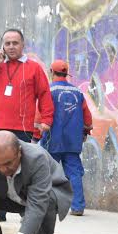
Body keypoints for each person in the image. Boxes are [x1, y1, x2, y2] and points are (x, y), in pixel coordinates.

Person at [0, 29, 54, 142]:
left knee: (20, 160)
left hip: (22, 129)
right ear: (2, 47)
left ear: (23, 44)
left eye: (15, 43)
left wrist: (47, 120)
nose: (11, 47)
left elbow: (44, 94)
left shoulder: (34, 68)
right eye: (7, 44)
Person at [40, 59, 93, 216]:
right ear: (66, 73)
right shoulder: (77, 92)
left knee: (47, 172)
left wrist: (36, 135)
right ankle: (77, 207)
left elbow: (41, 115)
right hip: (72, 141)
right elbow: (87, 117)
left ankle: (48, 205)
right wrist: (85, 133)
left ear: (51, 72)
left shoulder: (48, 91)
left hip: (52, 140)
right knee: (74, 172)